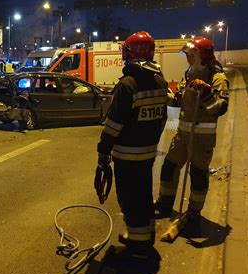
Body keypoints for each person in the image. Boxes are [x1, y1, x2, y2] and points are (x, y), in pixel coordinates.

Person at [94, 31, 169, 253]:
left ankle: (137, 246)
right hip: (147, 153)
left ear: (128, 53)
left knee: (130, 199)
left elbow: (113, 125)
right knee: (144, 195)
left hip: (127, 155)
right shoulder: (159, 81)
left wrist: (103, 152)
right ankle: (146, 237)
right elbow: (162, 118)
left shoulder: (128, 85)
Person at [154, 36, 229, 225]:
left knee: (197, 176)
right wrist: (168, 95)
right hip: (183, 134)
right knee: (169, 167)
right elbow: (179, 103)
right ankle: (164, 204)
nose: (188, 59)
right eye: (187, 55)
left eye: (191, 55)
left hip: (202, 138)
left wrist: (206, 93)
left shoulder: (217, 78)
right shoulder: (189, 74)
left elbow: (219, 109)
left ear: (202, 56)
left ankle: (194, 213)